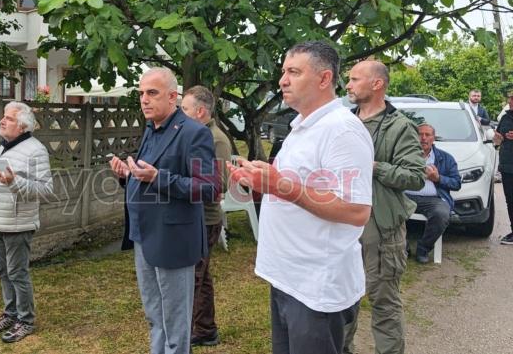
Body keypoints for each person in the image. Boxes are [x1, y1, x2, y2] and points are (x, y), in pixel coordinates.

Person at [228, 41, 373, 354]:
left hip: (315, 287)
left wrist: (280, 185)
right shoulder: (301, 128)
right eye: (283, 71)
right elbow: (292, 189)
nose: (282, 80)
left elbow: (356, 210)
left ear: (323, 79)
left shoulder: (342, 130)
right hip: (288, 277)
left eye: (293, 72)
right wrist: (258, 181)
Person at [109, 67, 219, 354]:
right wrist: (128, 175)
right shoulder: (151, 128)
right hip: (144, 235)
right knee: (154, 315)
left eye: (152, 93)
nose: (144, 99)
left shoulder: (194, 133)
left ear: (173, 96)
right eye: (141, 93)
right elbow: (148, 175)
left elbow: (208, 188)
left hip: (173, 241)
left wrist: (158, 178)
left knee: (175, 320)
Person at [342, 60, 426, 354]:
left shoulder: (400, 127)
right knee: (341, 304)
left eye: (354, 79)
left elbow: (415, 176)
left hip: (381, 228)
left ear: (377, 84)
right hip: (341, 225)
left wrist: (374, 166)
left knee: (384, 303)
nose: (348, 85)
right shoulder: (343, 123)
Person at [0, 101, 53, 343]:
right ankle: (10, 312)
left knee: (17, 273)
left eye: (9, 118)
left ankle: (25, 320)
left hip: (18, 224)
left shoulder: (36, 150)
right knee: (4, 272)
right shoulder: (5, 146)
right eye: (3, 116)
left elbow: (47, 189)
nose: (2, 121)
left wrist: (14, 183)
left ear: (23, 126)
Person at [179, 85, 231, 347]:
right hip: (194, 216)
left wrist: (178, 183)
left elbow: (219, 184)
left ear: (200, 112)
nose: (180, 113)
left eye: (184, 109)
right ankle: (206, 330)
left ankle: (183, 338)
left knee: (192, 279)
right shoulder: (196, 134)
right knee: (202, 276)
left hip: (206, 219)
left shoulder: (215, 139)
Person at [405, 123, 460, 263]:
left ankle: (423, 248)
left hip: (433, 199)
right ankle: (402, 247)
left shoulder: (445, 158)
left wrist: (438, 178)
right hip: (405, 196)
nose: (423, 138)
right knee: (387, 206)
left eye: (427, 135)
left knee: (441, 214)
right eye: (420, 134)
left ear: (433, 138)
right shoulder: (405, 155)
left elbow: (456, 183)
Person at [495, 92, 513, 245]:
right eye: (511, 98)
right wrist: (496, 137)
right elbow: (498, 138)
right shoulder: (506, 117)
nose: (511, 101)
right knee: (510, 200)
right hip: (507, 165)